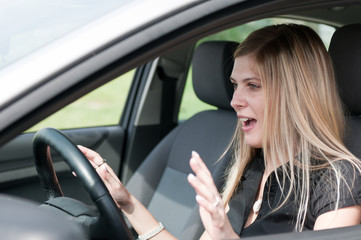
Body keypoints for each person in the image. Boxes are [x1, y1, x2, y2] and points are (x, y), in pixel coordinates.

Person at [79, 24, 361, 239]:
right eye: (235, 84)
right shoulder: (251, 170)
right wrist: (127, 203)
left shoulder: (338, 182)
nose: (234, 101)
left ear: (297, 95)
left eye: (253, 85)